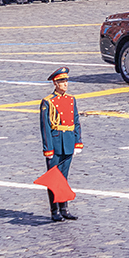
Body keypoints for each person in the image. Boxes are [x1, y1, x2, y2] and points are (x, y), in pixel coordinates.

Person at [40, 67, 83, 221]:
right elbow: (45, 127)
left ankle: (64, 208)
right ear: (55, 83)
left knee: (63, 178)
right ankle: (54, 211)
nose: (65, 84)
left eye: (66, 81)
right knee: (54, 179)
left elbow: (76, 122)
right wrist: (48, 149)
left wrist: (78, 142)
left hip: (69, 142)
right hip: (56, 143)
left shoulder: (71, 99)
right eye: (61, 81)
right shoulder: (48, 102)